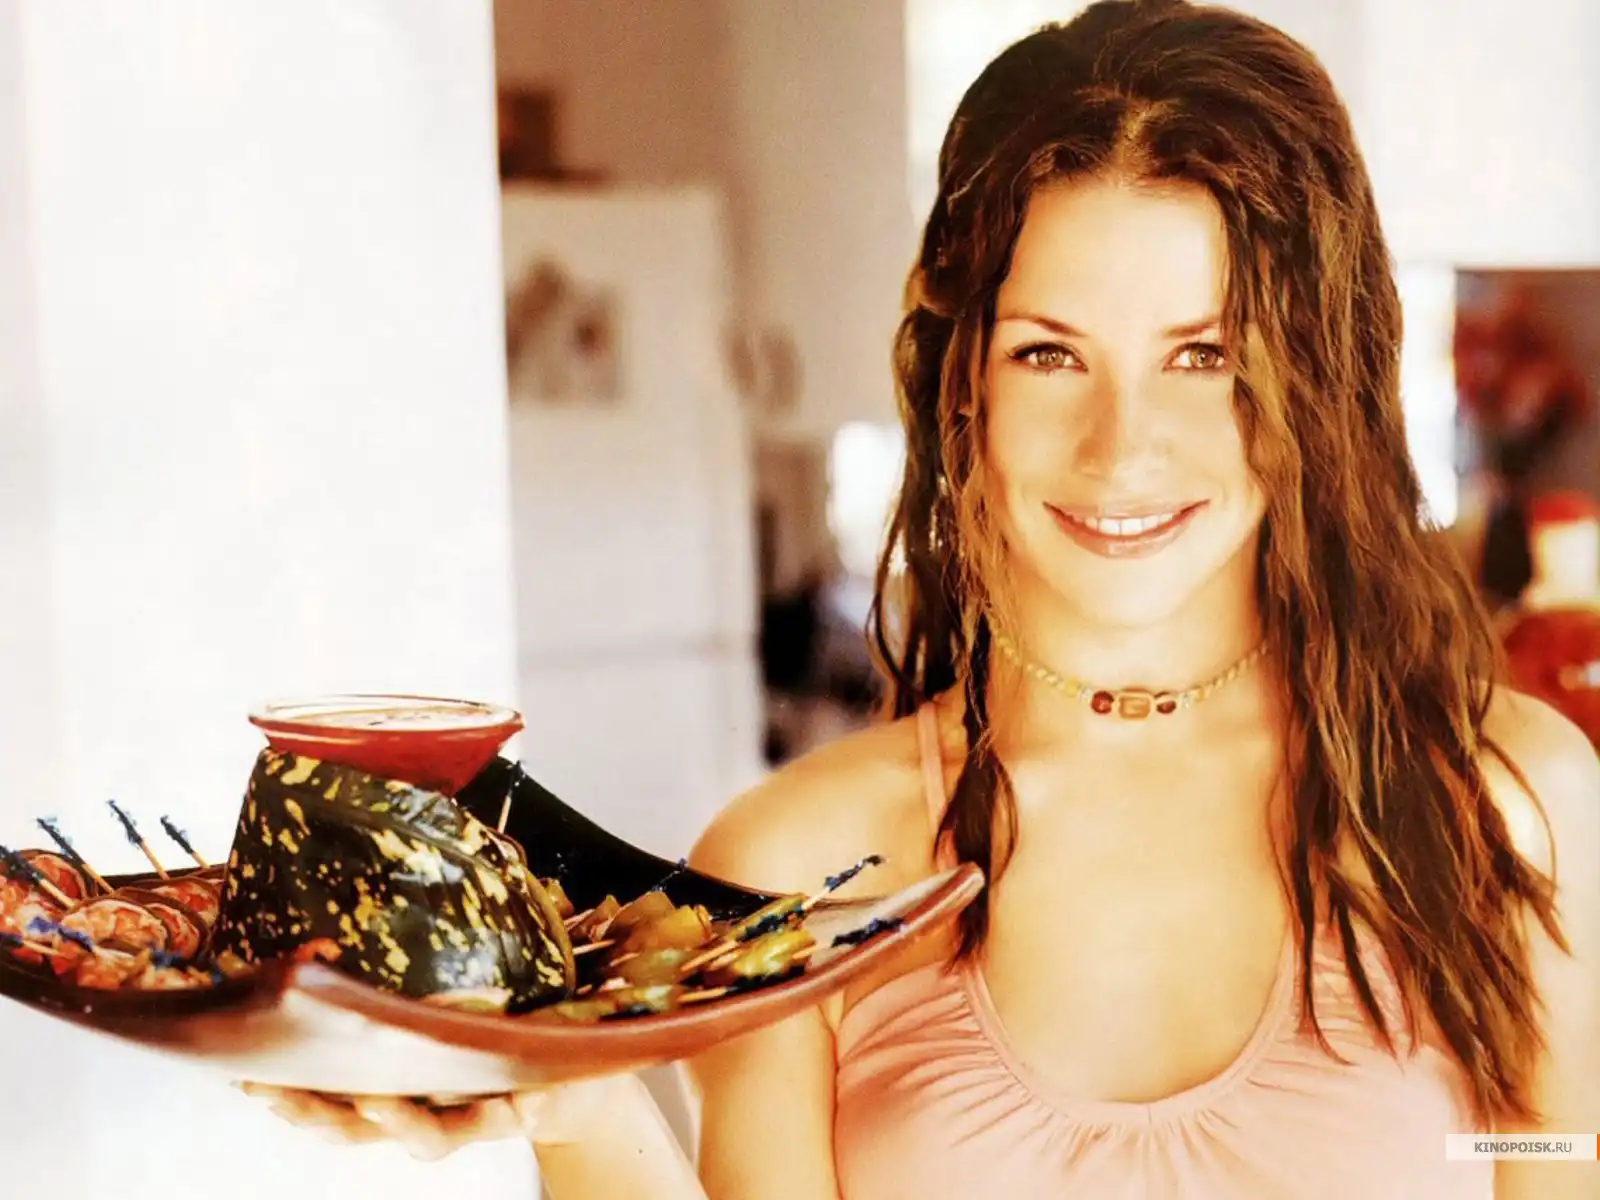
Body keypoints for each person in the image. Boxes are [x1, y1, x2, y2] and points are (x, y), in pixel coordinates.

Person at [255, 2, 1599, 1196]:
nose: (1124, 446)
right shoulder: (794, 871)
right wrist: (579, 1102)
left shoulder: (1509, 805)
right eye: (1049, 354)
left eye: (1207, 356)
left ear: (1320, 380)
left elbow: (1556, 1162)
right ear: (962, 382)